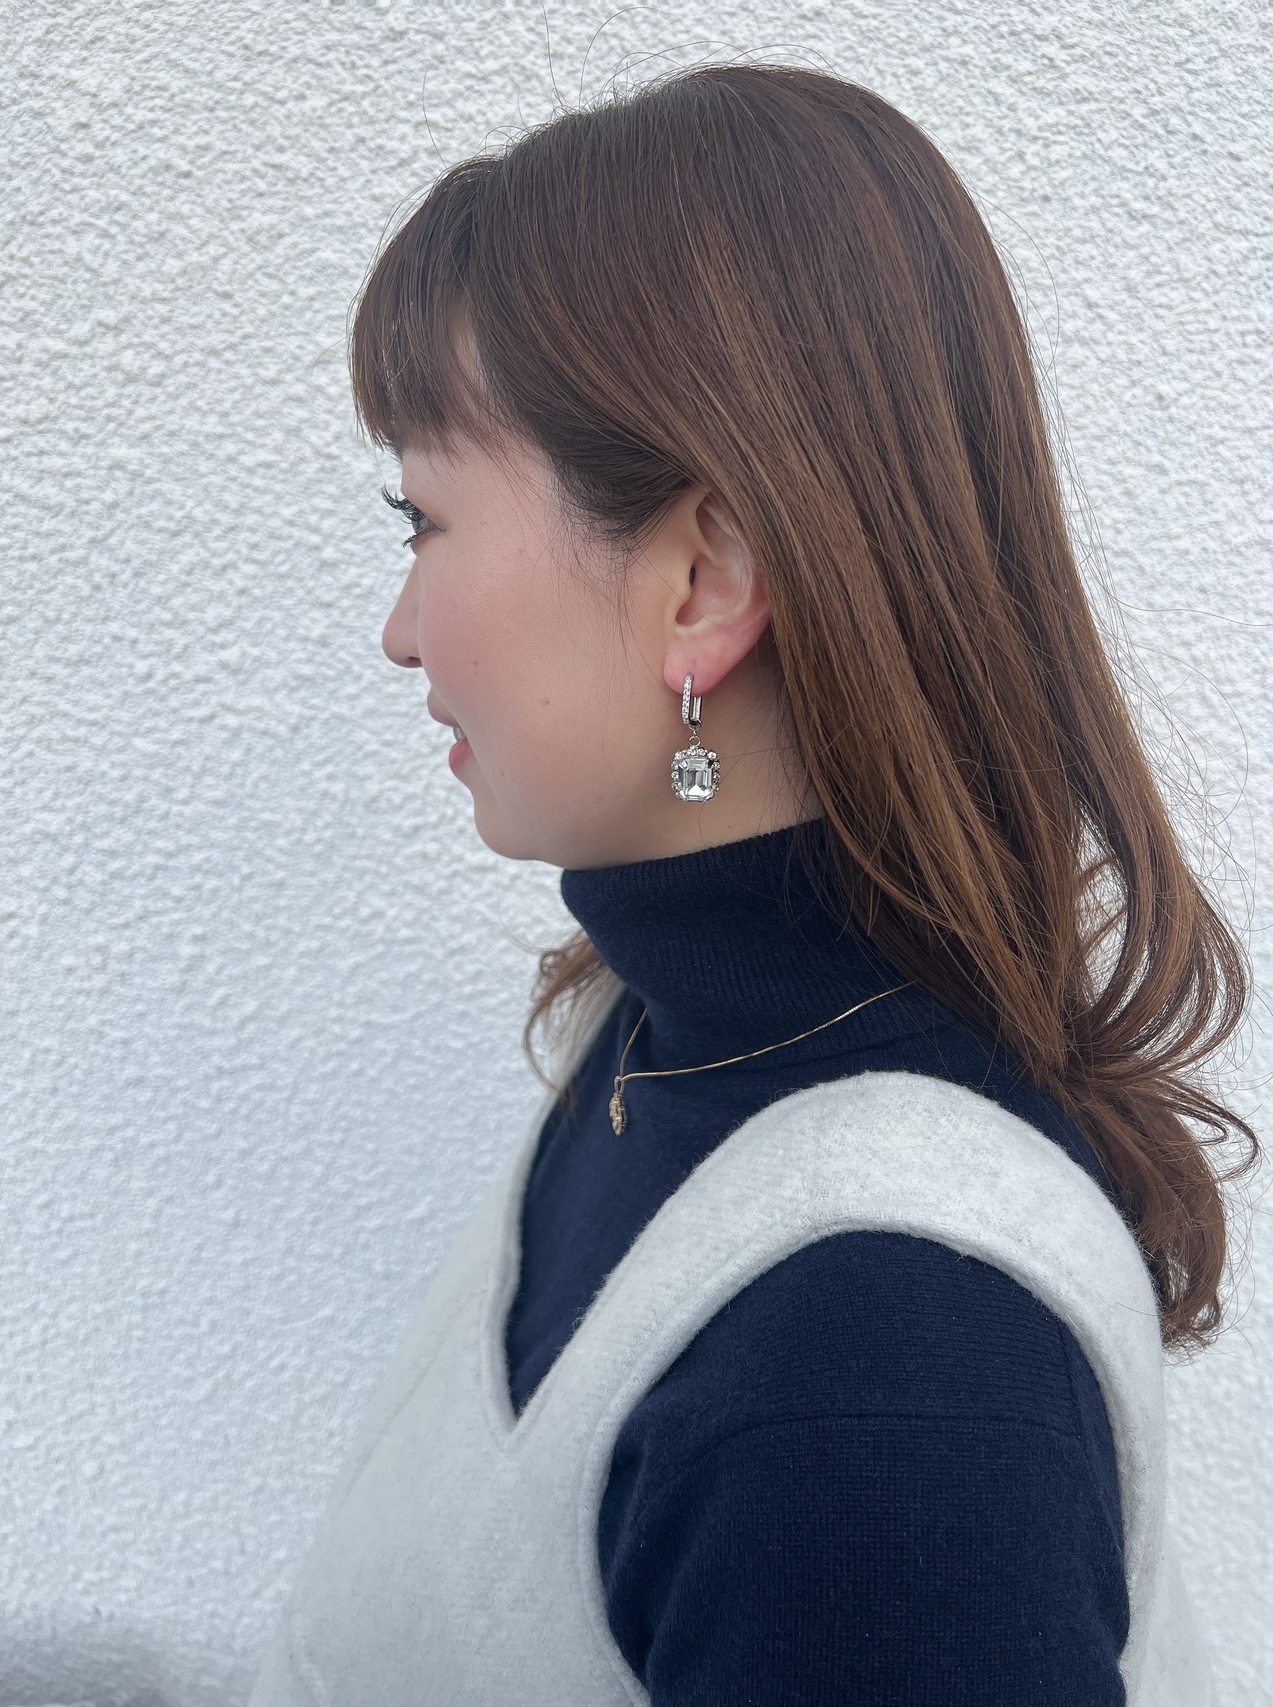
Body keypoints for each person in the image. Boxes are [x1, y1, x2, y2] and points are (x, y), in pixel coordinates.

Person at [247, 63, 1256, 1706]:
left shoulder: (879, 1374)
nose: (399, 633)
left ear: (704, 581)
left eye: (420, 520)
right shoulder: (658, 1040)